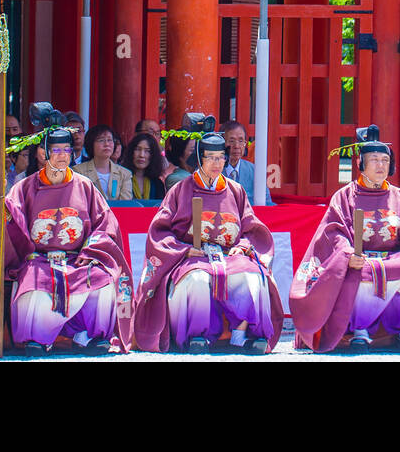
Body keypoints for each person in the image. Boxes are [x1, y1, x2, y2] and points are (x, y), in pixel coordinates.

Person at [291, 125, 400, 352]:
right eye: (375, 160)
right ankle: (360, 331)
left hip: (392, 256)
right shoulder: (345, 196)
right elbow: (334, 231)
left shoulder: (399, 196)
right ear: (361, 164)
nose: (381, 166)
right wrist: (348, 256)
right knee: (362, 271)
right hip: (359, 257)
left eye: (385, 161)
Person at [132, 120, 283, 353]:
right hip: (193, 255)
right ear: (200, 159)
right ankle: (196, 335)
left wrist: (242, 246)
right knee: (197, 280)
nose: (216, 163)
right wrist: (183, 250)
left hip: (229, 255)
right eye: (210, 157)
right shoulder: (180, 190)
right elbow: (159, 231)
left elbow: (251, 229)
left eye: (220, 157)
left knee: (251, 275)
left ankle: (244, 333)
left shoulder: (236, 190)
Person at [2, 118, 133, 353]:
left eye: (66, 150)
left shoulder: (85, 186)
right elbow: (13, 222)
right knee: (36, 282)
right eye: (56, 150)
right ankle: (38, 338)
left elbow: (105, 223)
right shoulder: (24, 188)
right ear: (43, 153)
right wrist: (28, 252)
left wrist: (91, 250)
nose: (62, 156)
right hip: (39, 259)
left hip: (77, 258)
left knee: (102, 280)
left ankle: (91, 336)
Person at [74, 124, 134, 200]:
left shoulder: (125, 174)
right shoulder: (78, 172)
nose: (107, 144)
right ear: (91, 144)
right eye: (101, 140)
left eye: (109, 140)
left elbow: (125, 205)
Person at [121, 131, 166, 201]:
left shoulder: (157, 184)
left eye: (147, 151)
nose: (141, 155)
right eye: (138, 149)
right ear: (131, 152)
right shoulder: (122, 179)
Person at [221, 120, 257, 203]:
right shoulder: (211, 171)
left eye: (241, 141)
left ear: (245, 143)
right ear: (222, 143)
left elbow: (267, 202)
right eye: (231, 141)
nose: (237, 146)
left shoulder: (254, 170)